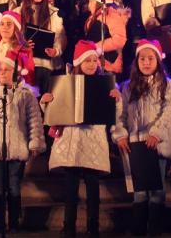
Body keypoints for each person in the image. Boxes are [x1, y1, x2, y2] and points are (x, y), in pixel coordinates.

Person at [41, 41, 122, 237]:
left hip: (93, 141)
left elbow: (116, 116)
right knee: (71, 189)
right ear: (78, 62)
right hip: (72, 141)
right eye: (87, 61)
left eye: (95, 60)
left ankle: (93, 227)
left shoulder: (105, 83)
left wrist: (117, 100)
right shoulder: (65, 83)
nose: (92, 64)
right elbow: (54, 113)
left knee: (93, 188)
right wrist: (46, 102)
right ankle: (69, 227)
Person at [0, 49, 46, 233]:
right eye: (0, 70)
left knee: (13, 186)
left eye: (6, 70)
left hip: (17, 147)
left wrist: (35, 142)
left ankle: (14, 221)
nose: (2, 73)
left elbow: (34, 121)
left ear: (15, 72)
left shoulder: (25, 95)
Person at [112, 40, 171, 236]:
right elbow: (121, 114)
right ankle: (139, 228)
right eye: (142, 59)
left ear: (158, 61)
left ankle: (155, 228)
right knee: (139, 191)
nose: (146, 62)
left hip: (156, 145)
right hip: (136, 146)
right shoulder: (127, 87)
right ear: (137, 61)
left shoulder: (167, 86)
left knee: (157, 190)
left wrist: (156, 133)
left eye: (151, 58)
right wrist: (120, 135)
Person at [18, 0, 66, 94]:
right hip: (24, 62)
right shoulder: (18, 12)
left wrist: (56, 50)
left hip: (45, 64)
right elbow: (13, 36)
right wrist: (22, 44)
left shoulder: (53, 13)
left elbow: (60, 37)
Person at [84, 0, 129, 77]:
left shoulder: (111, 15)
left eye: (91, 1)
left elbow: (120, 39)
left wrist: (96, 47)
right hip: (96, 64)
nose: (89, 5)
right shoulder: (92, 18)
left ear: (99, 3)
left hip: (109, 66)